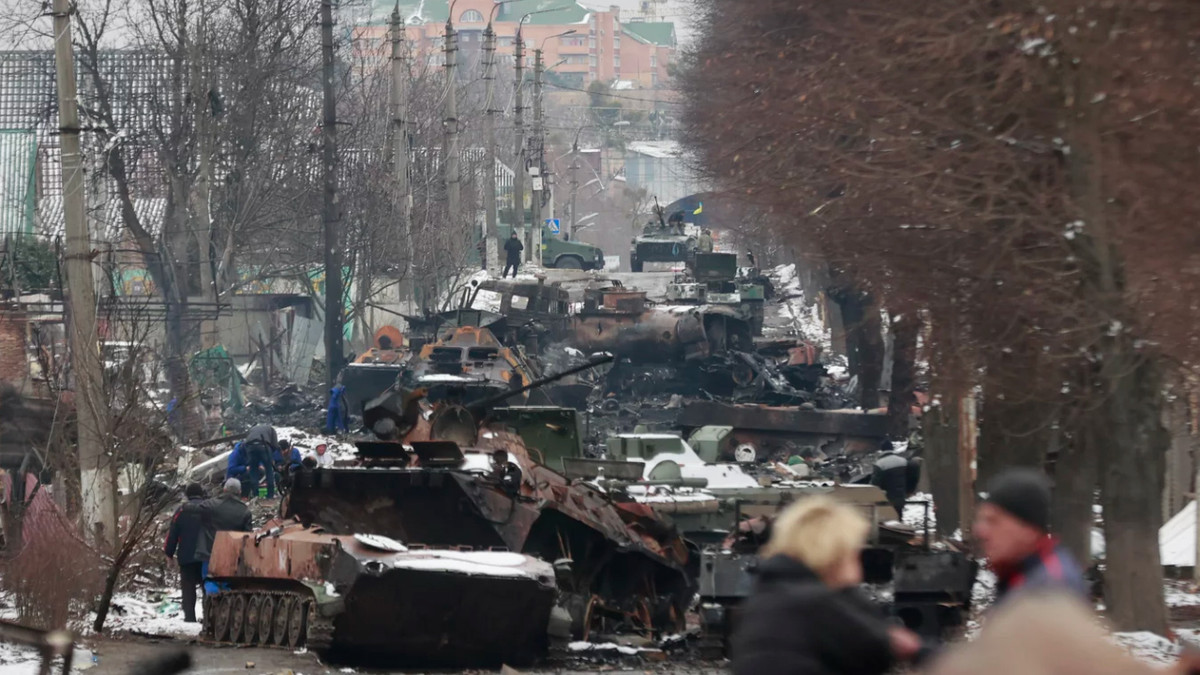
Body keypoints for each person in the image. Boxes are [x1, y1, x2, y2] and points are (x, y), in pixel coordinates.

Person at [732, 495, 924, 675]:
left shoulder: (771, 595)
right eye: (853, 551)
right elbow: (875, 649)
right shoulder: (815, 604)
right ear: (834, 551)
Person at [973, 468, 1087, 604]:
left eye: (994, 521)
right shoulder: (1020, 576)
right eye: (982, 520)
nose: (980, 531)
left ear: (1027, 529)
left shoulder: (1051, 588)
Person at [199, 478, 254, 594]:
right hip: (232, 556)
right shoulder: (245, 511)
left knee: (209, 581)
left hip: (210, 552)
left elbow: (195, 512)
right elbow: (248, 536)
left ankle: (212, 600)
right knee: (229, 585)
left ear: (224, 489)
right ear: (239, 492)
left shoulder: (209, 505)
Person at [163, 482, 208, 622]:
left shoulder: (180, 511)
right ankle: (208, 617)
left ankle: (189, 618)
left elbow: (172, 535)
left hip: (187, 557)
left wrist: (169, 553)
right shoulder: (209, 509)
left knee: (188, 590)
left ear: (187, 495)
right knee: (207, 587)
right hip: (206, 556)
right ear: (201, 494)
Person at [870, 441, 910, 518]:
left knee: (887, 520)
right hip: (901, 497)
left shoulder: (880, 464)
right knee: (898, 518)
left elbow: (874, 484)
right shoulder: (904, 461)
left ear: (882, 450)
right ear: (892, 448)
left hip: (887, 499)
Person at [243, 423, 278, 499]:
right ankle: (270, 495)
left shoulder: (252, 429)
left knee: (253, 470)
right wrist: (270, 456)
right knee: (269, 470)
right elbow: (275, 445)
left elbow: (245, 441)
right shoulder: (271, 429)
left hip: (250, 447)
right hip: (263, 445)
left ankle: (255, 495)